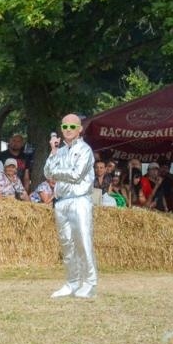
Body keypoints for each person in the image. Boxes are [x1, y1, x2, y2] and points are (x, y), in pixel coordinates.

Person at [45, 113, 97, 298]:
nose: (68, 130)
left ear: (80, 129)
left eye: (72, 127)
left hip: (80, 199)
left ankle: (90, 283)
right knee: (67, 244)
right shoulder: (59, 151)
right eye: (65, 127)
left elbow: (76, 175)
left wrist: (56, 173)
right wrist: (52, 152)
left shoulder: (85, 150)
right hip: (62, 201)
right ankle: (72, 282)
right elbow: (46, 172)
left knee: (83, 241)